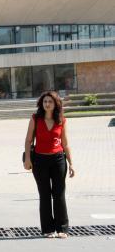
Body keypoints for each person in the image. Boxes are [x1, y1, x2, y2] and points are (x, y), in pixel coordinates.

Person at [23, 91, 75, 239]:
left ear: (55, 104)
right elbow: (28, 141)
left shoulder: (62, 120)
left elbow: (65, 144)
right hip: (39, 161)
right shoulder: (35, 118)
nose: (47, 104)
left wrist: (71, 163)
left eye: (50, 102)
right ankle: (47, 229)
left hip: (58, 160)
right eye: (45, 101)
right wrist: (28, 159)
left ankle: (62, 229)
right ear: (42, 103)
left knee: (59, 195)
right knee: (44, 195)